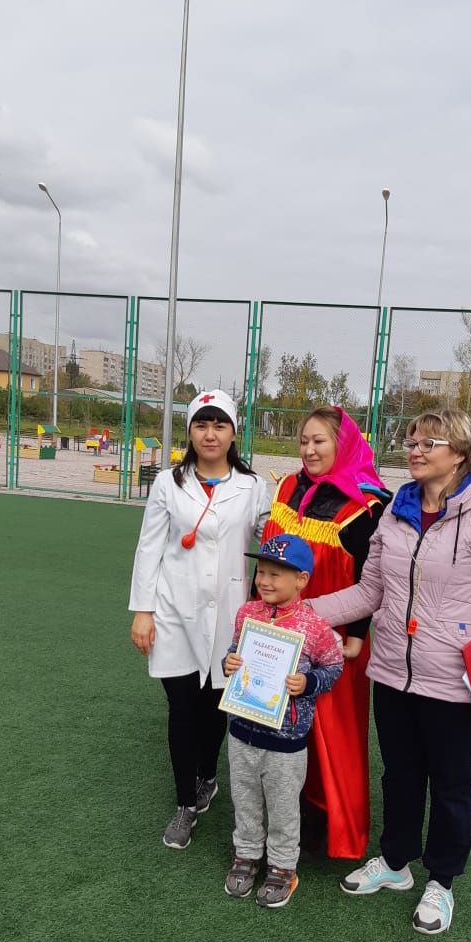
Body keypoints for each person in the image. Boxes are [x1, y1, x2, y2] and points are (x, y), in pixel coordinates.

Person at [309, 408, 471, 934]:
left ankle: (442, 881)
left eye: (429, 443)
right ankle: (395, 861)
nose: (414, 450)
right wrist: (303, 611)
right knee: (400, 774)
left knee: (451, 785)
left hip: (455, 682)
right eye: (411, 441)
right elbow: (370, 591)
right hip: (391, 672)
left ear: (460, 453)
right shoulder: (395, 510)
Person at [129, 389, 270, 851]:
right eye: (201, 425)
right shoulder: (168, 483)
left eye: (220, 425)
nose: (211, 435)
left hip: (230, 614)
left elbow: (271, 539)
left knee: (215, 708)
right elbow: (150, 547)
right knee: (182, 707)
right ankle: (185, 803)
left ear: (233, 433)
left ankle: (207, 776)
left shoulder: (253, 487)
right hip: (174, 612)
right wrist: (143, 612)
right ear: (189, 432)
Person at [260, 406, 391, 859]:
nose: (310, 450)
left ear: (343, 444)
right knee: (279, 717)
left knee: (332, 730)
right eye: (304, 441)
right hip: (280, 629)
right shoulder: (286, 488)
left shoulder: (366, 506)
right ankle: (284, 813)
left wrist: (357, 633)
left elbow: (370, 579)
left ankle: (332, 822)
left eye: (320, 441)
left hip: (336, 638)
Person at [223, 534, 343, 908]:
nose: (264, 581)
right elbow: (235, 652)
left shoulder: (315, 626)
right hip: (242, 729)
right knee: (244, 798)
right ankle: (247, 854)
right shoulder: (247, 613)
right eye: (261, 572)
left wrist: (308, 683)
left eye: (275, 574)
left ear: (301, 580)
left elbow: (334, 667)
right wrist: (229, 662)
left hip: (286, 739)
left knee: (283, 806)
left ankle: (282, 865)